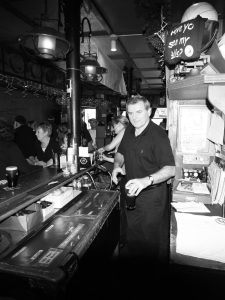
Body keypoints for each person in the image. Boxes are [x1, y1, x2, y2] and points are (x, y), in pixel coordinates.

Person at [112, 95, 175, 266]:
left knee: (149, 240)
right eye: (130, 113)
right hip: (132, 191)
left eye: (139, 112)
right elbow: (121, 152)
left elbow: (170, 169)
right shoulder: (129, 131)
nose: (134, 116)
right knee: (133, 234)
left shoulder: (158, 135)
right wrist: (117, 165)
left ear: (149, 111)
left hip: (152, 195)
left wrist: (145, 181)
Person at [98, 115, 129, 249]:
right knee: (123, 201)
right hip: (125, 171)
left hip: (125, 172)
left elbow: (110, 146)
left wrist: (101, 150)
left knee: (124, 203)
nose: (113, 128)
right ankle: (122, 232)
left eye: (114, 125)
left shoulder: (124, 131)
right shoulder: (128, 133)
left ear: (121, 124)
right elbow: (119, 157)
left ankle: (123, 235)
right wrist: (106, 157)